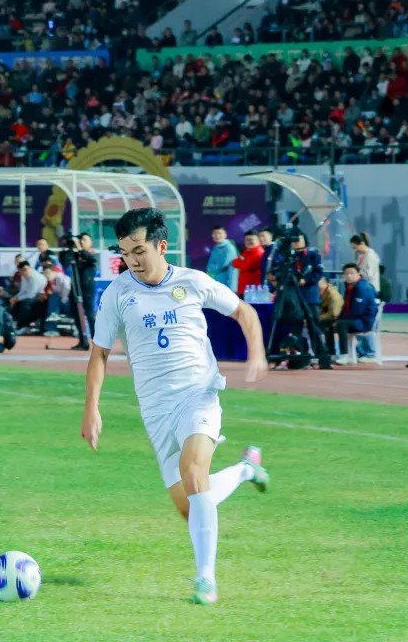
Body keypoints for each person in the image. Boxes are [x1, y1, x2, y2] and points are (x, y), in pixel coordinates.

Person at [81, 207, 270, 606]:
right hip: (155, 410)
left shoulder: (192, 282)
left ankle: (205, 580)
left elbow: (244, 311)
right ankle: (245, 469)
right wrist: (91, 408)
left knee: (194, 472)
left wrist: (257, 353)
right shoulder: (117, 293)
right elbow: (99, 353)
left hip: (198, 395)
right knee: (191, 506)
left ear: (161, 245)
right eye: (125, 252)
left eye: (139, 250)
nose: (132, 260)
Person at [327, 264, 379, 365]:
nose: (349, 276)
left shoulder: (362, 288)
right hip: (355, 320)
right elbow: (345, 307)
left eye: (352, 273)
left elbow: (357, 311)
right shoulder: (350, 287)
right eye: (346, 274)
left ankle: (345, 355)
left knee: (342, 324)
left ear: (358, 274)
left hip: (364, 321)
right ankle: (331, 353)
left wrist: (340, 320)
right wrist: (336, 319)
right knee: (328, 323)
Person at [231, 230, 265, 297]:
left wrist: (242, 261)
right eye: (247, 240)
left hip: (255, 290)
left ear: (258, 240)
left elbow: (246, 266)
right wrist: (242, 261)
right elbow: (234, 263)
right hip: (244, 289)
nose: (249, 242)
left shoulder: (259, 252)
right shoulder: (247, 251)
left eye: (251, 240)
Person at [205, 226, 238, 292]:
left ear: (225, 235)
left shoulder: (229, 248)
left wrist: (210, 272)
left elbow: (222, 265)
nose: (217, 236)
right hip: (216, 282)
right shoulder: (216, 247)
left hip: (226, 283)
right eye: (215, 233)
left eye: (219, 233)